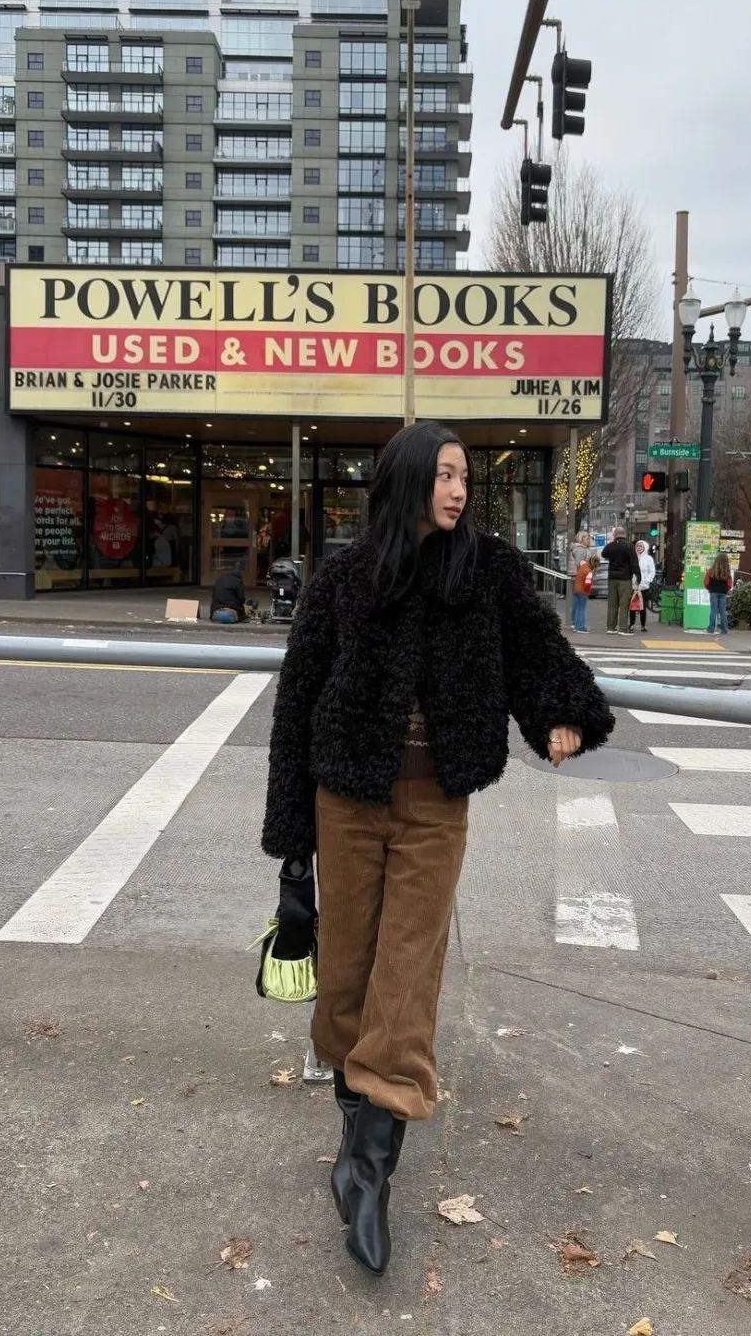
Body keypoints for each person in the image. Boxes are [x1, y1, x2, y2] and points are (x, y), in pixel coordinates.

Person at [261, 421, 614, 1277]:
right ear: (409, 480)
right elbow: (297, 700)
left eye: (464, 477)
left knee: (409, 971)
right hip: (346, 798)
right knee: (349, 970)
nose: (458, 490)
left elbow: (536, 646)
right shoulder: (348, 575)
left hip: (433, 805)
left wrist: (561, 711)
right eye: (445, 475)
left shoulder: (485, 568)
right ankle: (356, 1123)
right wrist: (292, 839)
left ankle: (370, 1170)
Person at [601, 526, 640, 634]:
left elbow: (604, 554)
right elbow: (634, 562)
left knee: (612, 604)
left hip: (612, 578)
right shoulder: (629, 546)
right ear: (624, 535)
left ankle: (610, 627)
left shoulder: (610, 546)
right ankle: (622, 629)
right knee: (624, 604)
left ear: (615, 535)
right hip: (625, 579)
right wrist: (638, 576)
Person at [629, 539, 656, 633]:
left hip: (644, 587)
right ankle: (631, 624)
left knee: (643, 606)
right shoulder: (633, 557)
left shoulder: (649, 559)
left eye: (641, 546)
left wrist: (647, 581)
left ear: (645, 547)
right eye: (637, 546)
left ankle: (643, 625)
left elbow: (652, 572)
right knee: (632, 606)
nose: (639, 548)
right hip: (634, 586)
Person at [704, 550, 733, 635]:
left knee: (713, 610)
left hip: (713, 592)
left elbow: (706, 582)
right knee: (722, 611)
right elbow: (729, 584)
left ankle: (711, 629)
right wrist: (726, 589)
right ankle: (724, 629)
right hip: (723, 593)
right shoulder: (727, 572)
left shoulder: (711, 571)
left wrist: (709, 588)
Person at [567, 530, 592, 627]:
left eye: (589, 538)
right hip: (580, 577)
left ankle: (575, 621)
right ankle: (578, 624)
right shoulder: (581, 550)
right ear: (581, 539)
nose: (588, 540)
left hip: (576, 576)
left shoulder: (576, 548)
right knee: (581, 601)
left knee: (576, 600)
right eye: (586, 538)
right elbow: (580, 564)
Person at [571, 551, 597, 633]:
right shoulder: (589, 571)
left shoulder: (583, 566)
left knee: (578, 608)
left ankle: (576, 625)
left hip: (576, 589)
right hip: (583, 591)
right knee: (582, 609)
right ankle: (580, 627)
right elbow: (588, 584)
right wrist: (588, 593)